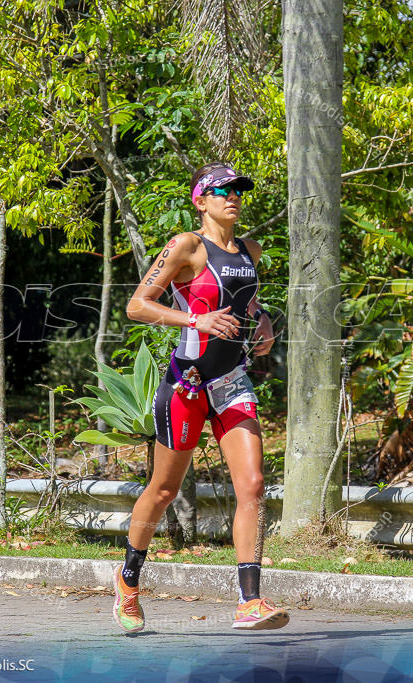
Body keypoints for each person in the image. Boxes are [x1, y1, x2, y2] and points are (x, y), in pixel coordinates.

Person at [113, 162, 288, 632]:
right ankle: (128, 580)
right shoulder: (186, 246)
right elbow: (136, 306)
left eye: (238, 189)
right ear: (201, 200)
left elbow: (247, 302)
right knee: (165, 490)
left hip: (232, 381)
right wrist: (195, 321)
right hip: (186, 384)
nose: (233, 196)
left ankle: (250, 601)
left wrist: (264, 319)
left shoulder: (251, 250)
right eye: (222, 190)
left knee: (252, 486)